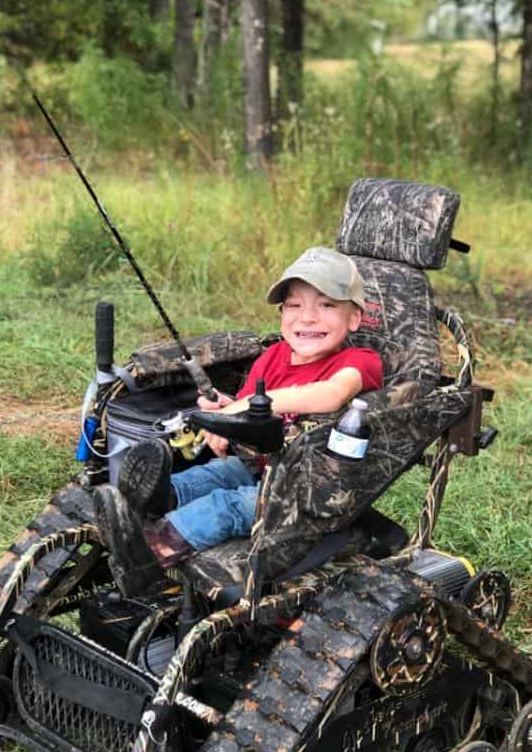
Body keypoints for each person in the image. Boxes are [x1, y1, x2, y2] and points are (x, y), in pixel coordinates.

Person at [93, 246, 383, 594]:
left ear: (354, 319)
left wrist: (249, 405)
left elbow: (332, 394)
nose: (307, 317)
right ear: (281, 314)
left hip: (306, 494)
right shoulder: (272, 357)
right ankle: (147, 501)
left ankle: (151, 555)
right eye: (294, 305)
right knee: (211, 474)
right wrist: (225, 413)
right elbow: (248, 412)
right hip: (258, 466)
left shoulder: (360, 361)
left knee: (226, 506)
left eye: (327, 305)